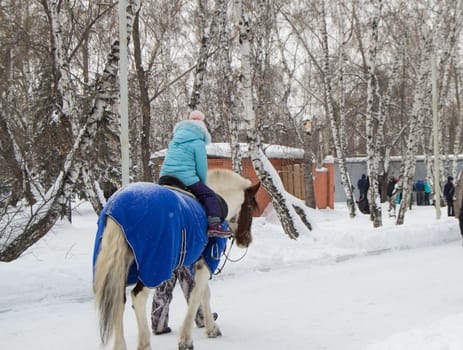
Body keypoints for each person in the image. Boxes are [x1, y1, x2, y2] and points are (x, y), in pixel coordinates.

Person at [160, 110, 232, 237]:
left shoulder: (175, 141)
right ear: (202, 131)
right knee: (209, 195)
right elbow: (201, 168)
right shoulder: (198, 143)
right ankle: (214, 225)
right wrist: (202, 183)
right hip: (185, 178)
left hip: (165, 177)